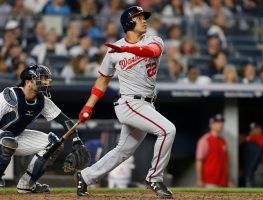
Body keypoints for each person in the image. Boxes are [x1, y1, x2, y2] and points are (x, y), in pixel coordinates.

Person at [76, 6, 176, 199]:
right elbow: (103, 80)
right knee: (167, 130)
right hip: (129, 103)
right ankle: (155, 178)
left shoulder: (154, 40)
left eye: (144, 18)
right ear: (129, 23)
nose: (144, 20)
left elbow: (151, 51)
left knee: (122, 151)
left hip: (147, 104)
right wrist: (88, 106)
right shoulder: (114, 51)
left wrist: (127, 48)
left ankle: (85, 176)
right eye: (139, 18)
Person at [0, 64, 89, 193]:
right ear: (28, 82)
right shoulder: (10, 96)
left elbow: (65, 121)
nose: (45, 82)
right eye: (41, 78)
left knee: (54, 144)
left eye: (46, 79)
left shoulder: (42, 101)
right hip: (4, 137)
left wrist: (76, 140)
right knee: (8, 141)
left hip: (14, 137)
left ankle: (27, 185)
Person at [196, 114, 233, 188]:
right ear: (211, 124)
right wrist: (199, 179)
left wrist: (229, 180)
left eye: (221, 122)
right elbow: (199, 161)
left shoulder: (223, 141)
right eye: (217, 122)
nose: (221, 124)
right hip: (209, 181)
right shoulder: (205, 140)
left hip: (223, 181)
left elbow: (226, 163)